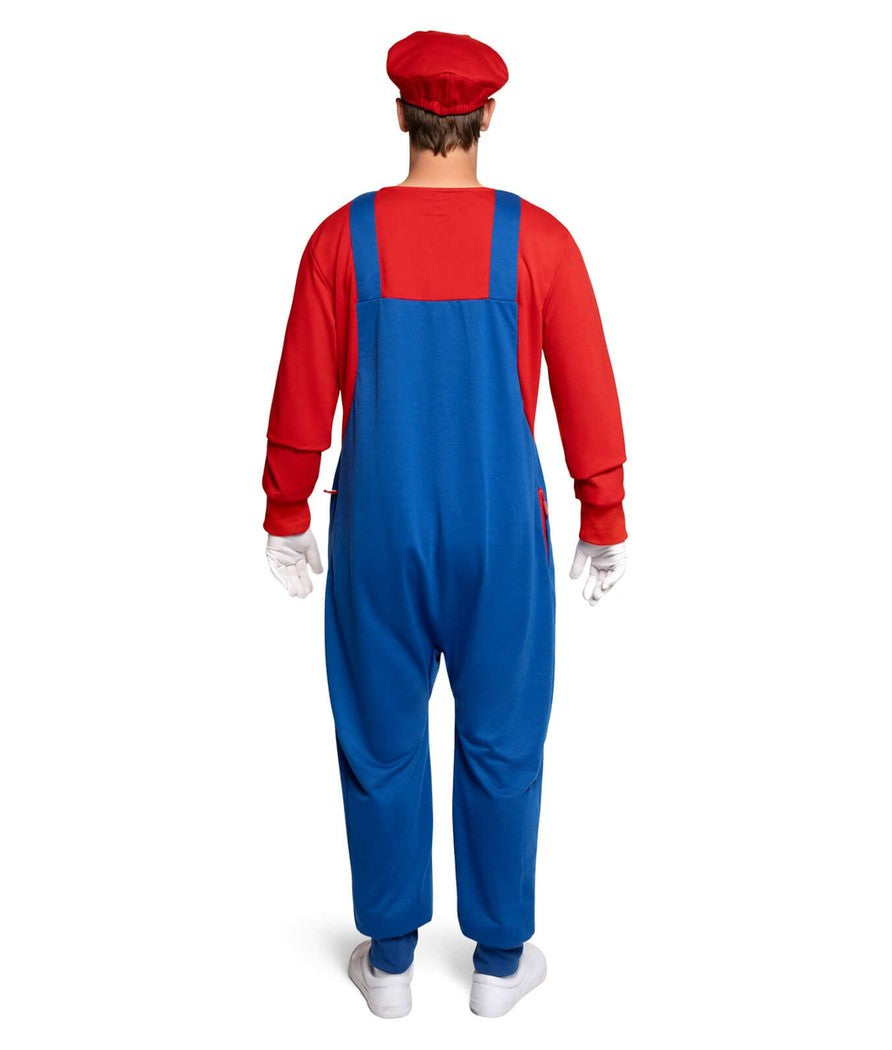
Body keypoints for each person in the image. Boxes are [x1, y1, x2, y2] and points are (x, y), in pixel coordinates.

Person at [262, 29, 628, 1018]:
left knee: (378, 734)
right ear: (487, 117)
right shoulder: (540, 241)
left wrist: (286, 507)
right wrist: (604, 512)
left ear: (401, 115)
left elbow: (302, 388)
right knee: (504, 737)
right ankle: (499, 964)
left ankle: (388, 963)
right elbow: (587, 384)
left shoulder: (340, 239)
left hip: (378, 528)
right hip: (501, 531)